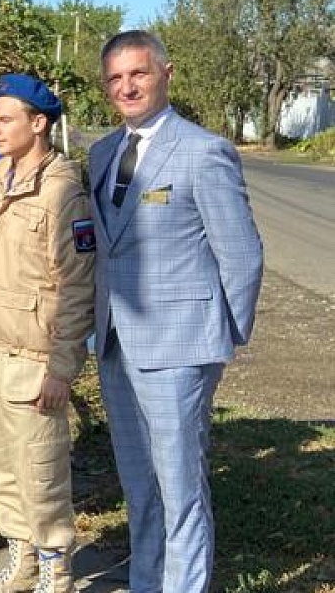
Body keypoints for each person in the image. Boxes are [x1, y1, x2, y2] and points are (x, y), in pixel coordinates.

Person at [88, 30, 263, 593]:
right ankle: (147, 583)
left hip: (181, 348)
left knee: (180, 488)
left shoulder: (202, 151)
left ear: (165, 73)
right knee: (139, 487)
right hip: (116, 343)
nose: (127, 86)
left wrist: (222, 339)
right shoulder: (101, 153)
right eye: (115, 79)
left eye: (137, 73)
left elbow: (241, 254)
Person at [0, 75, 95, 593]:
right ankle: (20, 564)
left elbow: (77, 284)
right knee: (1, 471)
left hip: (34, 359)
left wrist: (63, 367)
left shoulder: (61, 190)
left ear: (39, 123)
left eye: (5, 119)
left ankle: (54, 571)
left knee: (40, 475)